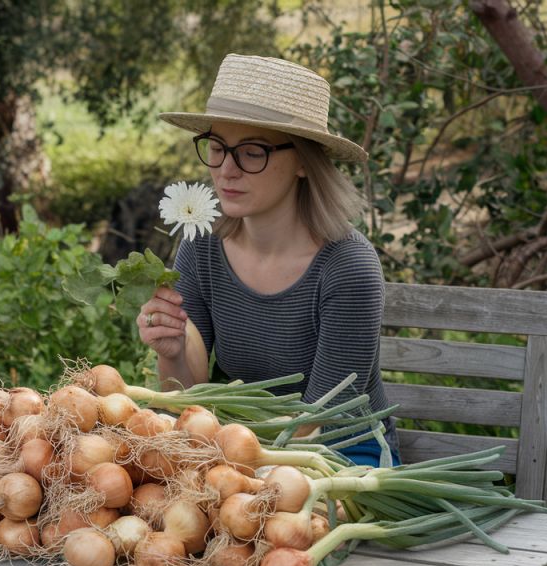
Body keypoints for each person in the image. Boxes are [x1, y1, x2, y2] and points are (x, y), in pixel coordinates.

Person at [136, 53, 399, 467]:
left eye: (252, 152)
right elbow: (188, 396)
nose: (226, 170)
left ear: (302, 162)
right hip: (239, 445)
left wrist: (228, 467)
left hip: (340, 454)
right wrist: (170, 351)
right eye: (218, 147)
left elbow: (320, 421)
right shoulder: (202, 246)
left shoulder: (348, 268)